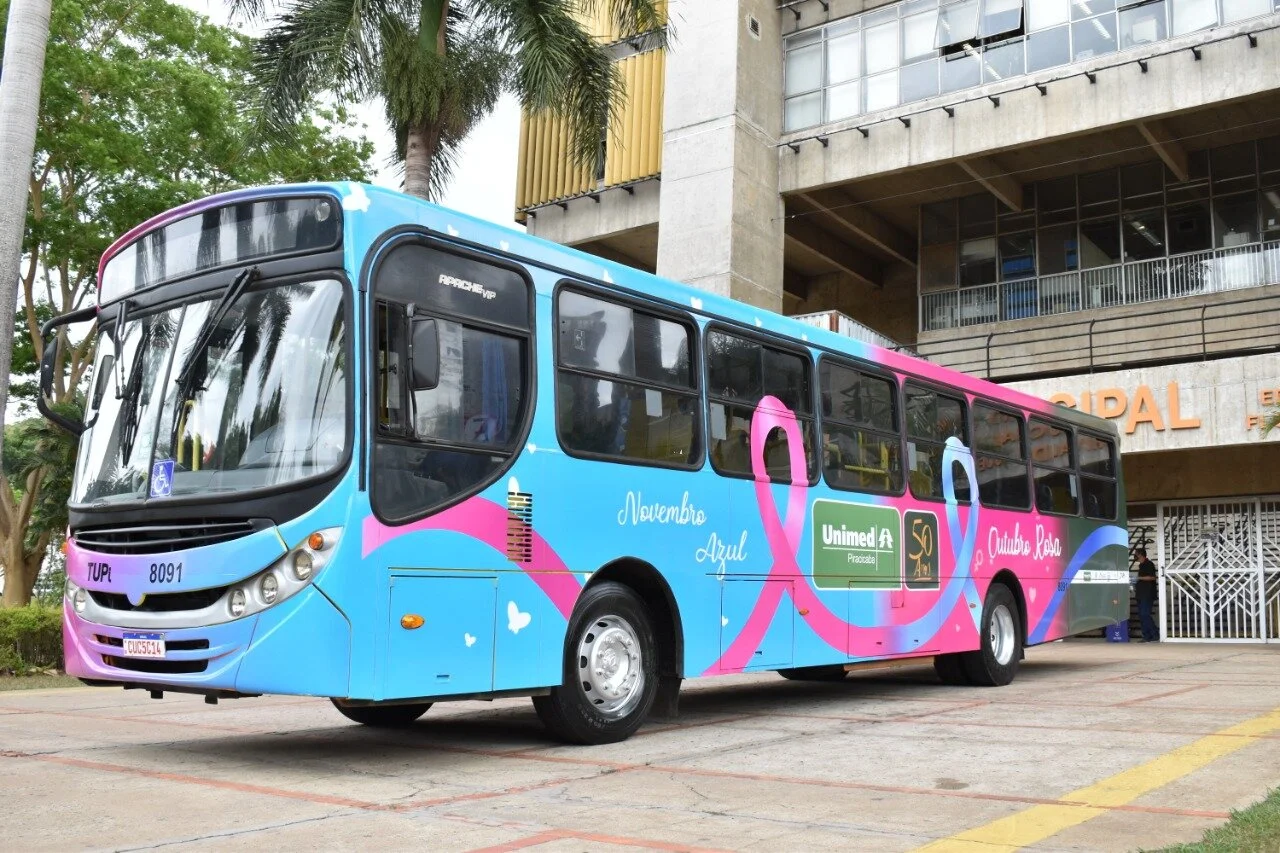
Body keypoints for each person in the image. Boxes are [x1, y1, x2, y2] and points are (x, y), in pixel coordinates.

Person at [1134, 548, 1159, 642]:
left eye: (1136, 554)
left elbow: (1152, 577)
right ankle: (1146, 636)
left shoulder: (1149, 564)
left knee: (1145, 614)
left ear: (1140, 554)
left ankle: (1155, 633)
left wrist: (1139, 578)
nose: (1135, 555)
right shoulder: (1141, 565)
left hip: (1147, 594)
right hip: (1140, 594)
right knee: (1141, 615)